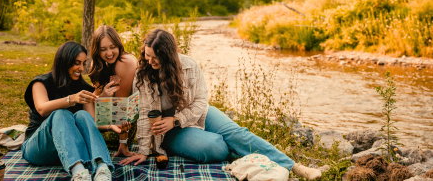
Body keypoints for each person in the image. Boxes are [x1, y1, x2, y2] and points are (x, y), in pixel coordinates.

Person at [119, 29, 322, 180]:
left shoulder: (189, 67)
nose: (150, 60)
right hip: (166, 131)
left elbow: (200, 102)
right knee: (215, 147)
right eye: (147, 54)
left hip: (197, 115)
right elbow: (145, 112)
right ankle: (237, 149)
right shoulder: (143, 74)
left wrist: (177, 119)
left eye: (156, 57)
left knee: (238, 134)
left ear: (168, 55)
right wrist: (145, 150)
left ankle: (294, 166)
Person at [21, 41, 113, 181]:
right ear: (64, 61)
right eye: (77, 63)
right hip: (38, 149)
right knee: (61, 113)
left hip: (67, 150)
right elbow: (42, 109)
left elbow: (91, 122)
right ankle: (80, 174)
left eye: (83, 63)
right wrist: (71, 99)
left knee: (82, 115)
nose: (81, 68)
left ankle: (102, 168)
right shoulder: (41, 82)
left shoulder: (82, 88)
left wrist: (112, 125)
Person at [88, 25, 138, 157]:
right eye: (103, 49)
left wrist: (123, 145)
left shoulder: (124, 63)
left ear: (118, 44)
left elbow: (121, 105)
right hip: (105, 118)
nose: (109, 53)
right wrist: (104, 96)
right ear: (97, 51)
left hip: (122, 128)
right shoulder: (99, 63)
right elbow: (97, 98)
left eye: (112, 47)